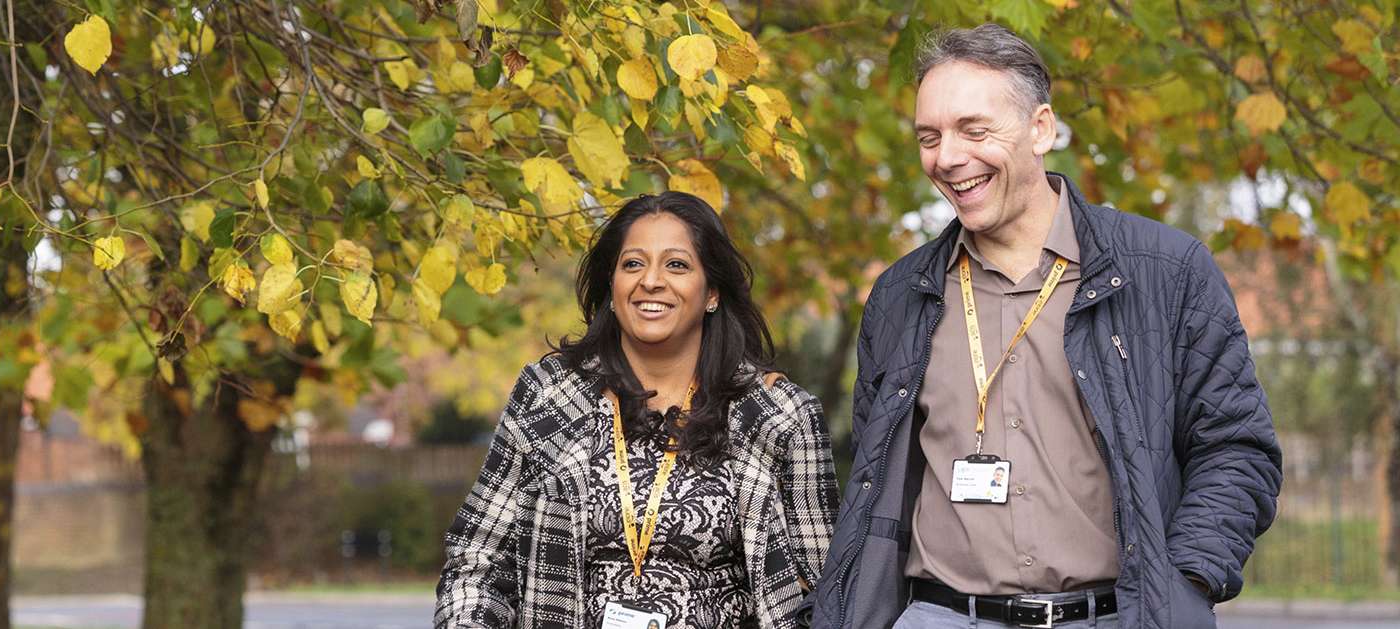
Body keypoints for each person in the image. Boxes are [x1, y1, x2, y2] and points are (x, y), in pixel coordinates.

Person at [813, 24, 1283, 629]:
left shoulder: (1167, 272)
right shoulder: (899, 296)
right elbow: (877, 482)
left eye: (973, 130)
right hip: (940, 615)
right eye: (929, 137)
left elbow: (1236, 448)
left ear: (1041, 129)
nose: (948, 157)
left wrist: (1185, 582)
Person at [436, 192, 838, 628]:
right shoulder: (547, 397)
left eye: (677, 265)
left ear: (712, 293)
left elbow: (825, 590)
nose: (651, 281)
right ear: (612, 285)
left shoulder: (778, 415)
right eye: (633, 264)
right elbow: (476, 559)